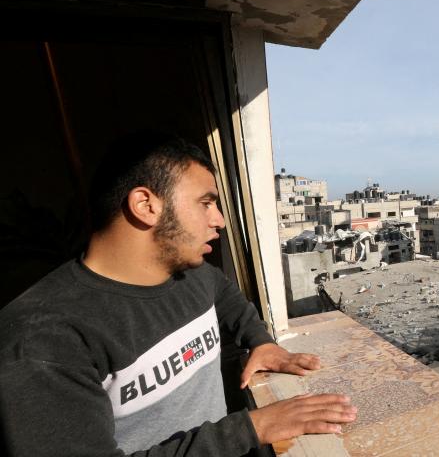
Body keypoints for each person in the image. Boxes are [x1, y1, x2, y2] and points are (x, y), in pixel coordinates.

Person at [0, 133, 357, 456]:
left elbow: (222, 290)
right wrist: (253, 427)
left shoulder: (190, 276)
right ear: (146, 205)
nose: (218, 220)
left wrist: (258, 340)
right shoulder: (42, 339)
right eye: (206, 203)